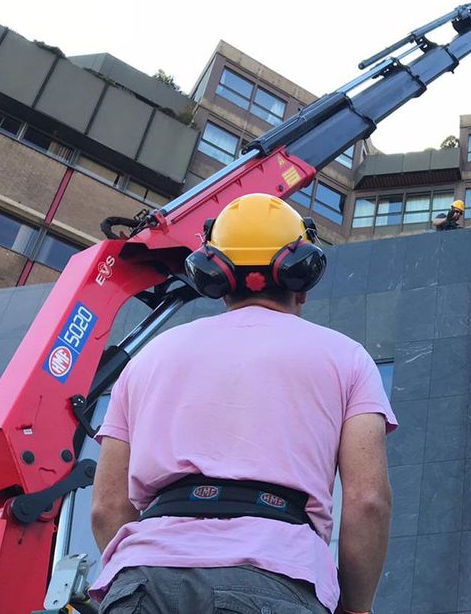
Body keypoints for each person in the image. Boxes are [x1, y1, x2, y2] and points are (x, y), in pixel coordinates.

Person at [90, 193, 397, 614]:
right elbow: (367, 501)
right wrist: (355, 608)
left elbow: (108, 507)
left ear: (215, 277)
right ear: (302, 278)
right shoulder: (347, 358)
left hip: (143, 580)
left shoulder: (149, 359)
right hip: (276, 575)